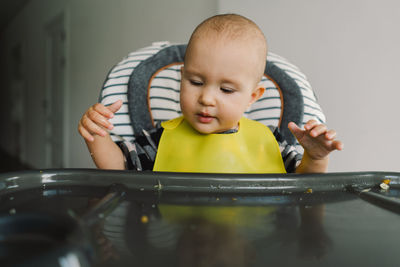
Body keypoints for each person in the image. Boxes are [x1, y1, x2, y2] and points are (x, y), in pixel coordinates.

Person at [78, 14, 343, 173]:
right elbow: (118, 169)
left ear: (253, 97)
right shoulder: (160, 140)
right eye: (195, 82)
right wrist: (97, 134)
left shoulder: (271, 143)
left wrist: (316, 158)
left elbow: (305, 189)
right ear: (181, 78)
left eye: (226, 89)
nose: (206, 98)